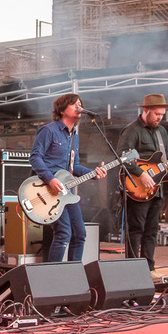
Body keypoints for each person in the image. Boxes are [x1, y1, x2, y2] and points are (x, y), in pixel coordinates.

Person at [29, 94, 108, 263]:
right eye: (74, 104)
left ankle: (74, 273)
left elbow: (75, 167)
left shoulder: (74, 137)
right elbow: (35, 158)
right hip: (49, 190)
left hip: (67, 191)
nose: (79, 106)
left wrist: (94, 172)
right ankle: (54, 276)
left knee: (80, 234)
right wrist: (50, 179)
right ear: (62, 110)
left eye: (80, 104)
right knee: (64, 233)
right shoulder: (49, 130)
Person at [117, 94, 168, 270]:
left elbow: (165, 160)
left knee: (152, 230)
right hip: (137, 187)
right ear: (145, 111)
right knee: (136, 229)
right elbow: (123, 157)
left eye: (162, 114)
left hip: (156, 188)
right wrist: (140, 173)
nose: (160, 117)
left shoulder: (162, 132)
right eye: (156, 114)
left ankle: (148, 267)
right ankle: (132, 268)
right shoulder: (132, 130)